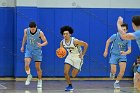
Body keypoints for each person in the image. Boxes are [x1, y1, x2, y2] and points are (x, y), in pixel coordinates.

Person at [57, 26, 88, 91]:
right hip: (70, 56)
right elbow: (61, 50)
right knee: (65, 72)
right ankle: (70, 85)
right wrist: (59, 52)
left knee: (73, 75)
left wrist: (83, 54)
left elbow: (86, 44)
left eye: (66, 34)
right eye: (64, 34)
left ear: (70, 34)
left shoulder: (75, 41)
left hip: (78, 57)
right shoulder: (62, 42)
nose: (65, 35)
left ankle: (77, 67)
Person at [103, 23, 131, 88]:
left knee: (122, 71)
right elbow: (108, 41)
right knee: (114, 70)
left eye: (124, 30)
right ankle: (112, 73)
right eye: (121, 29)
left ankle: (117, 82)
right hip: (114, 54)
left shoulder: (128, 38)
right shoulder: (115, 36)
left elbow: (129, 50)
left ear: (126, 30)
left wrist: (125, 53)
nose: (123, 31)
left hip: (122, 55)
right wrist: (106, 51)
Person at [21, 21, 48, 88]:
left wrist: (41, 44)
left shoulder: (40, 33)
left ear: (36, 27)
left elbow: (46, 42)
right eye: (31, 28)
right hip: (29, 49)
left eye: (33, 28)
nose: (32, 29)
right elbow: (24, 38)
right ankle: (29, 75)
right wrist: (22, 46)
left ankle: (39, 81)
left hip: (37, 51)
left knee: (37, 67)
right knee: (26, 63)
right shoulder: (26, 31)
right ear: (29, 27)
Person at [117, 16, 140, 90]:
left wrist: (118, 24)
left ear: (133, 24)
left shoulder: (139, 33)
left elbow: (124, 36)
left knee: (137, 77)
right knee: (137, 76)